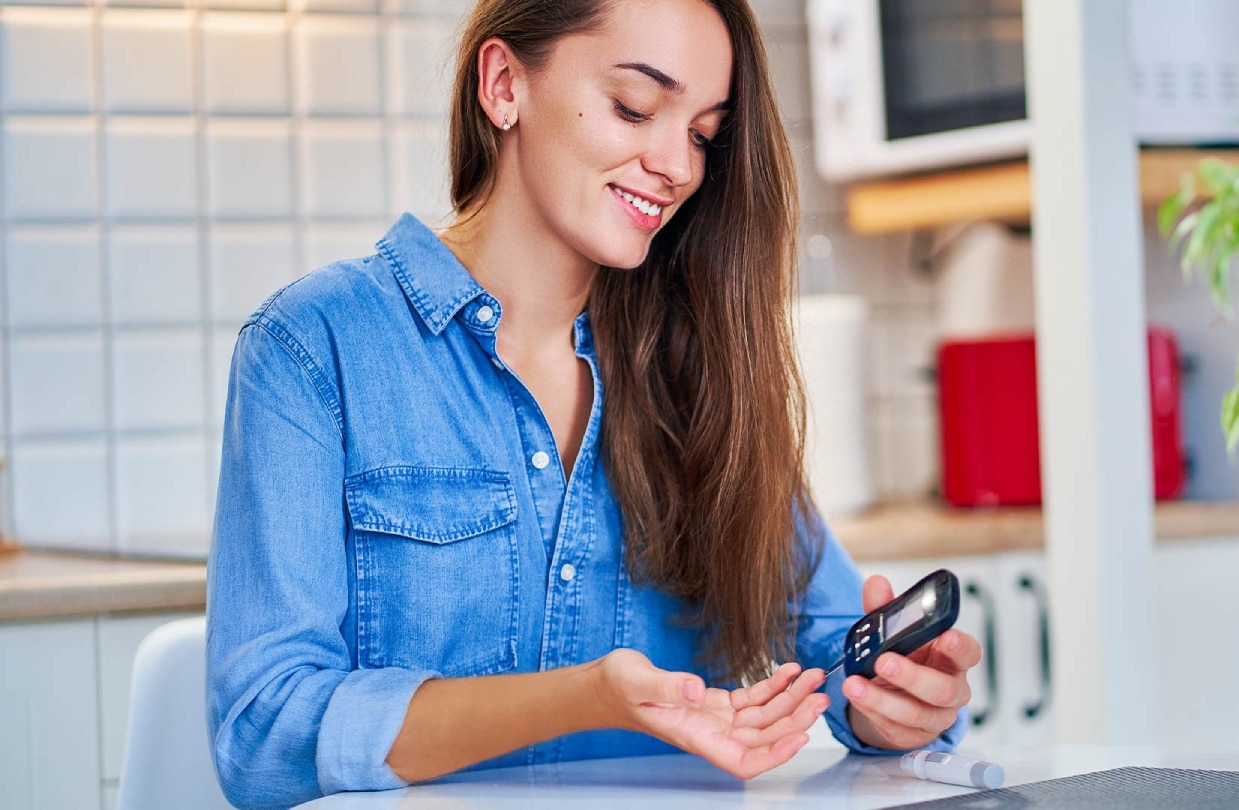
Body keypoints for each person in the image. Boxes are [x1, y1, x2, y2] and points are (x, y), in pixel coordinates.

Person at [204, 0, 982, 806]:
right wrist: (584, 697)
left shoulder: (698, 369)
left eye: (702, 134)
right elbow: (266, 735)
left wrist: (898, 705)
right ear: (504, 85)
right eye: (634, 107)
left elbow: (830, 646)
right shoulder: (315, 345)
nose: (678, 166)